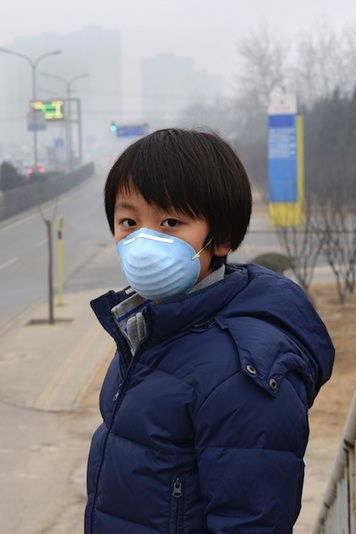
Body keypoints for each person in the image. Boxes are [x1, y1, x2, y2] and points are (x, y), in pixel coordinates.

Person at [84, 128, 335, 533]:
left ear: (223, 238)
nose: (143, 241)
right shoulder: (149, 328)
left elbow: (252, 521)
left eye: (170, 222)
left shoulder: (242, 373)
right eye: (129, 221)